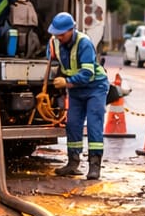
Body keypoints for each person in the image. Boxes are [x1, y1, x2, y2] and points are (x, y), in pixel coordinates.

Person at [47, 11, 109, 180]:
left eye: (62, 34)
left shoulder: (84, 43)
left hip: (95, 87)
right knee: (73, 124)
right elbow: (53, 61)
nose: (59, 37)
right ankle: (72, 163)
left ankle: (94, 166)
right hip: (76, 90)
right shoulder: (55, 42)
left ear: (71, 30)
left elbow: (87, 73)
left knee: (94, 125)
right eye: (56, 34)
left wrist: (66, 82)